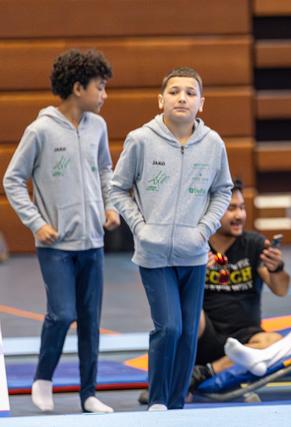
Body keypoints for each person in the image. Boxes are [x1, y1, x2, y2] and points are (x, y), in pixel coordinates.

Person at [110, 67, 233, 411]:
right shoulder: (140, 139)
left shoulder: (213, 144)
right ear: (161, 100)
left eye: (190, 93)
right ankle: (158, 400)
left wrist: (203, 230)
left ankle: (177, 405)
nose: (182, 98)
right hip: (153, 254)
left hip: (193, 254)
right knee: (170, 328)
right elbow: (118, 188)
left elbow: (222, 190)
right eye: (175, 92)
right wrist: (141, 227)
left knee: (188, 334)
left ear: (201, 103)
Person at [3, 49, 117, 413]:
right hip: (56, 245)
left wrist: (110, 205)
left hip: (92, 243)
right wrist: (37, 223)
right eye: (100, 87)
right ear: (78, 87)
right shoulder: (40, 131)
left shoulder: (98, 126)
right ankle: (43, 378)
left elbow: (104, 169)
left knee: (90, 319)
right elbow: (13, 180)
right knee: (62, 313)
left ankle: (89, 394)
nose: (104, 95)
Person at [189, 179, 290, 388]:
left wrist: (277, 267)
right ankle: (171, 378)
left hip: (246, 338)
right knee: (186, 313)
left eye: (242, 208)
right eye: (231, 209)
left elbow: (281, 290)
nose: (239, 215)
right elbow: (182, 296)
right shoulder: (197, 245)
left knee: (277, 342)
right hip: (205, 334)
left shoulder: (254, 244)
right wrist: (197, 273)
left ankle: (209, 370)